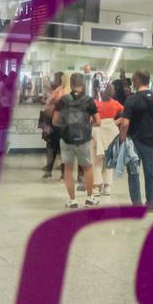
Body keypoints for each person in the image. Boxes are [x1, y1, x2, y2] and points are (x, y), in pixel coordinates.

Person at [52, 72, 101, 208]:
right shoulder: (89, 100)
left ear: (71, 84)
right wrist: (87, 125)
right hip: (83, 140)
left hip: (66, 139)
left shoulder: (63, 100)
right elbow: (99, 122)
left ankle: (72, 200)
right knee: (87, 168)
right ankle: (90, 198)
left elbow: (55, 121)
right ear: (82, 84)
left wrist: (64, 126)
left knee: (68, 169)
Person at [116, 70, 153, 212]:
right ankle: (151, 203)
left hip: (133, 142)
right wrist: (152, 129)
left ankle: (137, 204)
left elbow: (125, 123)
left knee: (134, 173)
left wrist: (122, 139)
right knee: (150, 173)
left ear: (137, 81)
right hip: (151, 141)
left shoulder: (131, 99)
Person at [91, 84, 123, 197]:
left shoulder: (95, 103)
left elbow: (91, 119)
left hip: (98, 130)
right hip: (112, 131)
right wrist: (115, 122)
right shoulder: (116, 104)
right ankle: (107, 186)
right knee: (109, 160)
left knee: (96, 161)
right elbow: (126, 114)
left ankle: (96, 186)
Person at [42, 71, 66, 179]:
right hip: (66, 124)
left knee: (51, 147)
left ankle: (49, 171)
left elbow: (48, 106)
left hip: (54, 121)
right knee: (64, 148)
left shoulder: (57, 92)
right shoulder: (69, 92)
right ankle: (63, 174)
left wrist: (47, 123)